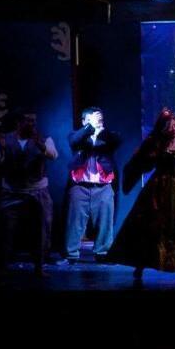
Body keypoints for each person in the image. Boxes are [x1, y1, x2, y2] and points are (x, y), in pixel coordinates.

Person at [110, 106, 175, 282]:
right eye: (170, 126)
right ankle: (140, 266)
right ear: (164, 128)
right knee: (151, 225)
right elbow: (139, 161)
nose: (174, 129)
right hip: (160, 188)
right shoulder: (156, 145)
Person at [0, 109, 58, 277]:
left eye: (34, 121)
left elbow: (53, 155)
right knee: (5, 231)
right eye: (28, 120)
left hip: (37, 190)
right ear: (18, 123)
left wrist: (39, 144)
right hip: (11, 191)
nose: (32, 124)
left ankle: (39, 267)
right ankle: (1, 269)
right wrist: (1, 148)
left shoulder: (44, 138)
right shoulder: (4, 139)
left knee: (41, 230)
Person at [64, 107, 120, 263]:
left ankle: (102, 252)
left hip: (103, 186)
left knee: (105, 221)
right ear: (84, 122)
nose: (97, 121)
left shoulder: (107, 137)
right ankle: (71, 254)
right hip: (79, 185)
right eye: (92, 119)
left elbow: (116, 140)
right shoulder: (77, 136)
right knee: (75, 222)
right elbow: (74, 141)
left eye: (99, 118)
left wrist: (99, 131)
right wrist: (90, 128)